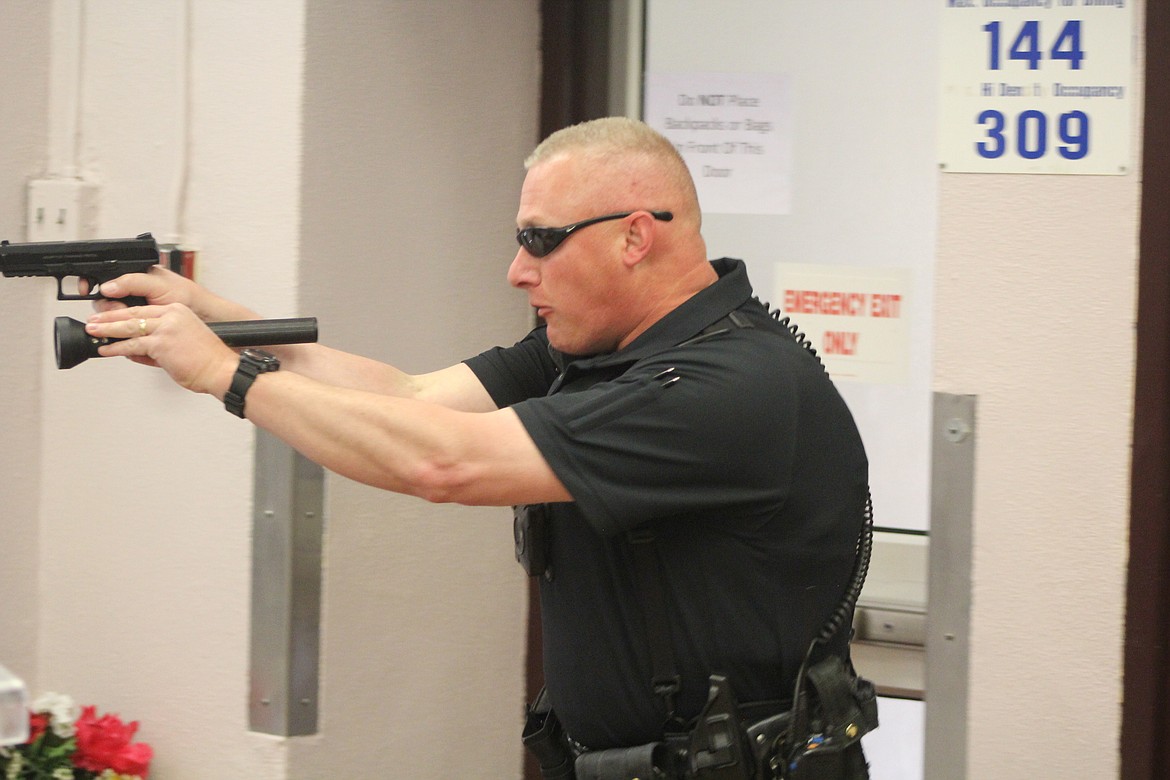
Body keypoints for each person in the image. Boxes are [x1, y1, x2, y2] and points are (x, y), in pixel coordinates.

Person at [86, 117, 869, 764]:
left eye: (540, 239)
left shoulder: (725, 386)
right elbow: (410, 397)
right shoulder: (598, 349)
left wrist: (228, 375)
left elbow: (443, 461)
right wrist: (212, 315)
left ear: (635, 237)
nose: (516, 271)